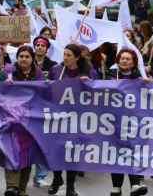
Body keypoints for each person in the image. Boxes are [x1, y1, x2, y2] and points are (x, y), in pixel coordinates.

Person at [47, 44, 94, 196]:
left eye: (69, 55)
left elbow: (99, 92)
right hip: (57, 116)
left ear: (77, 57)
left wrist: (89, 83)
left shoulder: (89, 72)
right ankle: (57, 178)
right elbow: (45, 88)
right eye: (64, 54)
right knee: (56, 150)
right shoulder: (56, 70)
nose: (65, 58)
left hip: (78, 118)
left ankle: (70, 187)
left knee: (72, 153)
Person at [2, 46, 45, 196]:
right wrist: (4, 85)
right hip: (12, 120)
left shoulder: (38, 75)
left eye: (27, 56)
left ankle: (21, 188)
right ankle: (11, 186)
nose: (24, 59)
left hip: (31, 121)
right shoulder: (7, 73)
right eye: (21, 56)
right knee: (12, 152)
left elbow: (44, 94)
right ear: (17, 58)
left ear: (32, 59)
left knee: (27, 155)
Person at [106, 49, 150, 196]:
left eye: (128, 59)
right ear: (118, 60)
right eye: (122, 58)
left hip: (133, 122)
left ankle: (135, 183)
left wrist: (147, 84)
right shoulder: (110, 75)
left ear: (133, 63)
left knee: (132, 151)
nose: (124, 61)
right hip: (114, 121)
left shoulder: (140, 78)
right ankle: (116, 186)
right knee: (116, 153)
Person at [31, 36, 56, 187]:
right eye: (37, 45)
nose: (40, 47)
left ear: (47, 49)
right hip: (28, 107)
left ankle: (40, 175)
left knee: (44, 142)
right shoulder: (26, 60)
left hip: (45, 108)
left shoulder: (53, 66)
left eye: (43, 45)